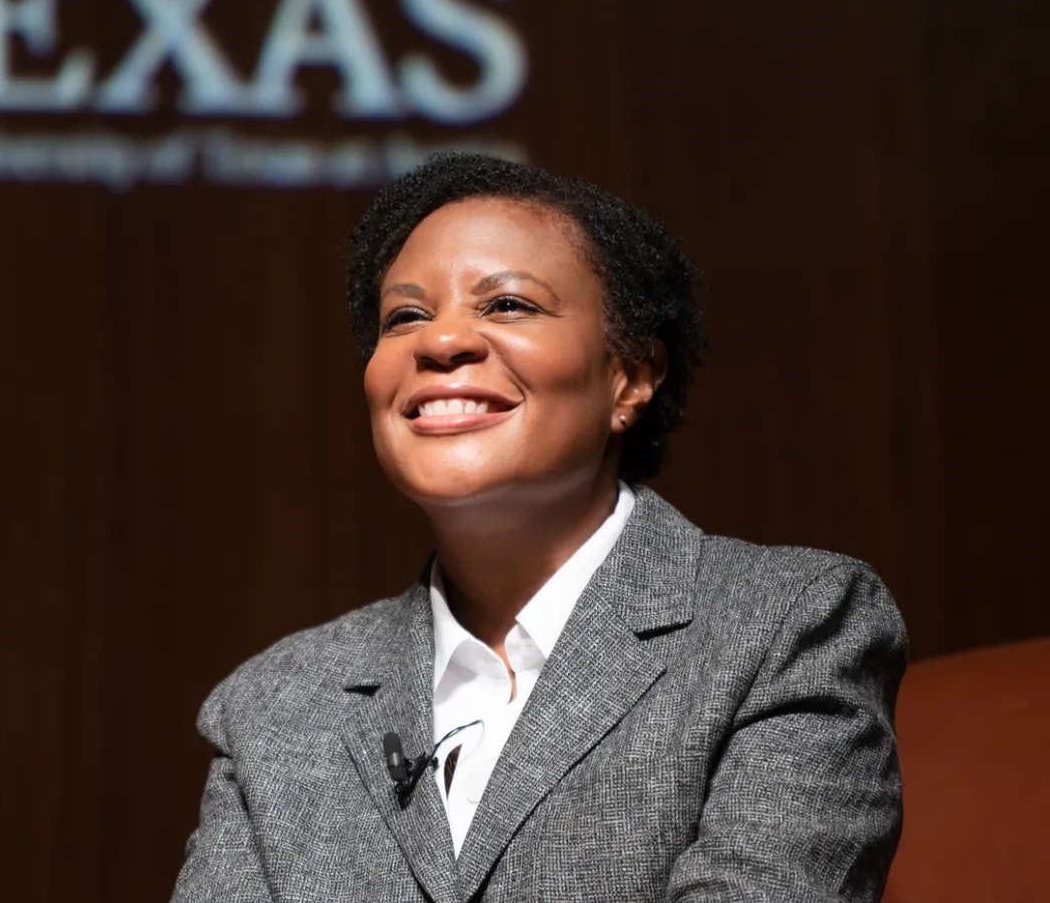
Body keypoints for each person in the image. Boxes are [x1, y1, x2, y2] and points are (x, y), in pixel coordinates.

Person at [170, 154, 906, 903]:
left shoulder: (788, 623)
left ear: (631, 376)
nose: (441, 342)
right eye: (406, 316)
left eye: (507, 305)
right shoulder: (274, 705)